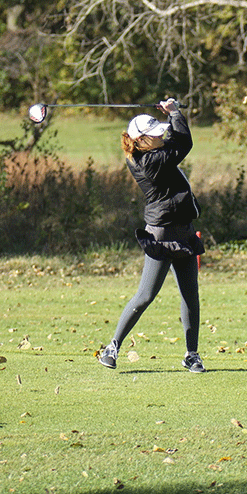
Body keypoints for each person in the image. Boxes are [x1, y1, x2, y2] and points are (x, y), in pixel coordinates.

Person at [98, 98, 206, 373]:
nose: (161, 137)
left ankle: (191, 354)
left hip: (183, 232)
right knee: (146, 295)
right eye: (155, 135)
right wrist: (175, 113)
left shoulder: (153, 152)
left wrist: (170, 116)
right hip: (161, 235)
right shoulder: (150, 162)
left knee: (190, 296)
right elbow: (183, 144)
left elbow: (173, 140)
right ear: (142, 141)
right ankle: (112, 347)